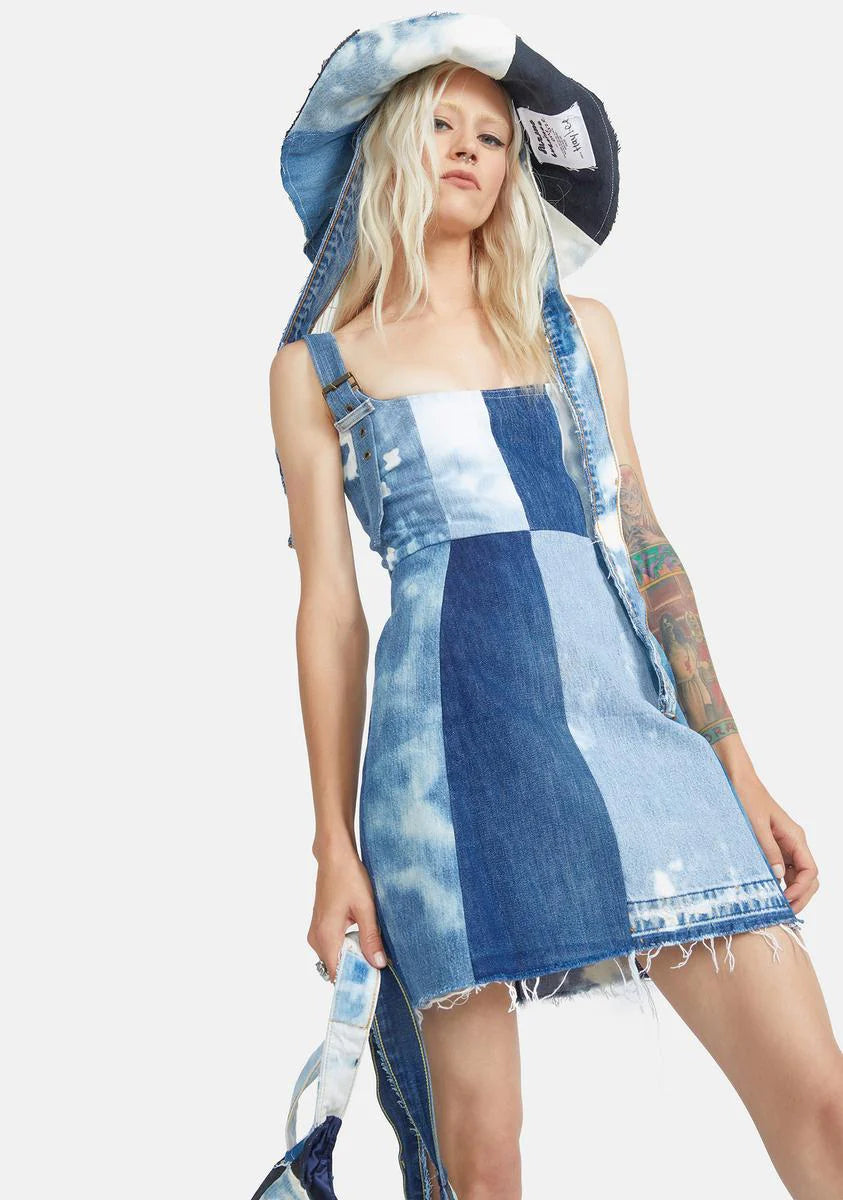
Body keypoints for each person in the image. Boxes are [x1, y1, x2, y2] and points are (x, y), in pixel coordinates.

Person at [269, 16, 841, 1198]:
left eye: (493, 135)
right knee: (483, 1165)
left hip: (628, 731)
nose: (469, 149)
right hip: (445, 764)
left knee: (823, 1105)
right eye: (441, 123)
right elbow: (331, 609)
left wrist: (736, 771)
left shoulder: (580, 335)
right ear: (390, 146)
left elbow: (647, 546)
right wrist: (333, 848)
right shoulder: (318, 366)